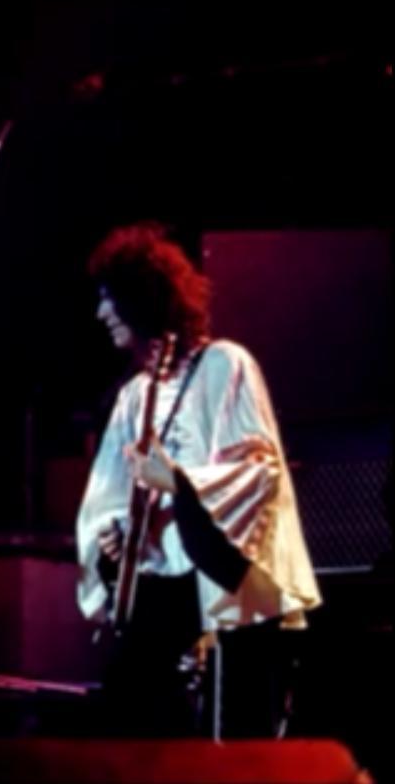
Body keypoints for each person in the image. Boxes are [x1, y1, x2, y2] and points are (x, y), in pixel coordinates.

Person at [75, 222, 321, 737]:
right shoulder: (134, 396)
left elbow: (258, 473)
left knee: (240, 723)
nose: (99, 314)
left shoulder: (224, 364)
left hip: (228, 578)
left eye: (109, 298)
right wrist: (118, 534)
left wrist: (180, 483)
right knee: (128, 690)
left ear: (140, 299)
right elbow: (109, 495)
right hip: (169, 575)